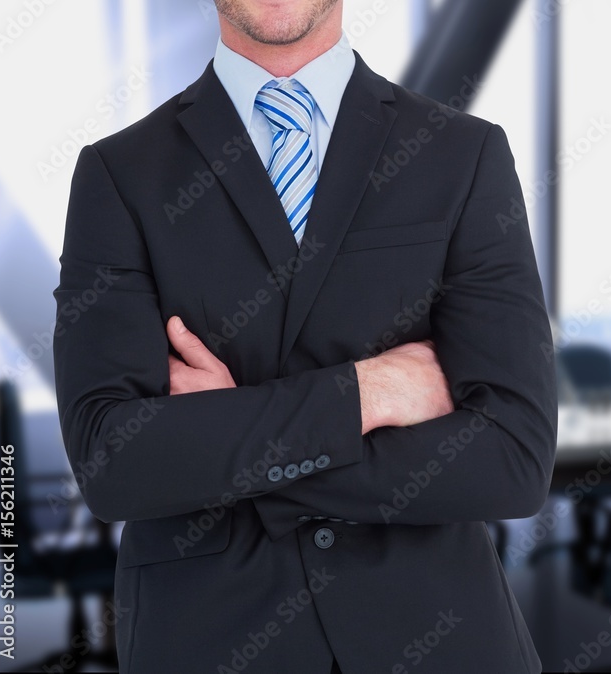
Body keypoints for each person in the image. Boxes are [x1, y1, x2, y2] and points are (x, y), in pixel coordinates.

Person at [52, 1, 556, 671]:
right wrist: (366, 392)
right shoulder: (120, 177)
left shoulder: (462, 155)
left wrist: (225, 438)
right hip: (211, 639)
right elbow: (112, 464)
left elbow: (514, 458)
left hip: (437, 634)